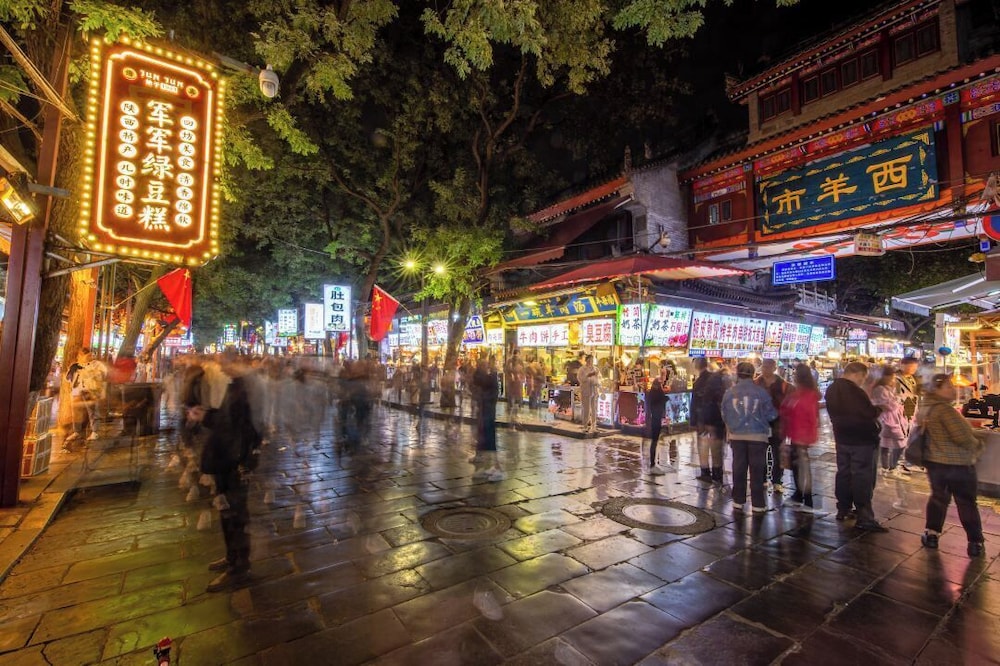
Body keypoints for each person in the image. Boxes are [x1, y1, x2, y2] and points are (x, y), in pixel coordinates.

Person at [188, 360, 262, 592]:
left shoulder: (247, 389)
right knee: (226, 511)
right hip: (225, 458)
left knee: (235, 515)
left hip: (234, 460)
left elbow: (238, 426)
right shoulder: (233, 386)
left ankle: (239, 567)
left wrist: (206, 418)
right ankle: (232, 557)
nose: (221, 366)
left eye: (226, 361)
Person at [918, 374, 987, 556]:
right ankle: (975, 542)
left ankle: (931, 535)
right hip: (957, 465)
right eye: (948, 386)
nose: (953, 389)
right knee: (966, 503)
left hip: (935, 464)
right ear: (936, 390)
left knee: (938, 499)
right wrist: (979, 444)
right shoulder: (945, 410)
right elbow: (962, 438)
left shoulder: (926, 408)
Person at [825, 361, 888, 532]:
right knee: (862, 477)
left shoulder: (832, 389)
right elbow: (867, 413)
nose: (862, 381)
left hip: (842, 437)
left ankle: (843, 508)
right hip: (862, 440)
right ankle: (864, 516)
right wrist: (879, 409)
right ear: (857, 374)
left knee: (844, 473)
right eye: (863, 377)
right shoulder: (855, 391)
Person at [722, 362, 778, 513]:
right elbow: (771, 415)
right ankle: (758, 504)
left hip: (736, 436)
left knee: (738, 468)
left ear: (737, 374)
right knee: (757, 470)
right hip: (758, 436)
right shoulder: (761, 393)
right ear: (753, 374)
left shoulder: (729, 393)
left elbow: (724, 414)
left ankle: (738, 500)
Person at [780, 364, 821, 512]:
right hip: (796, 435)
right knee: (797, 467)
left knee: (802, 468)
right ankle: (799, 494)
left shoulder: (805, 396)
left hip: (800, 437)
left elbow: (809, 417)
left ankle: (807, 500)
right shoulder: (801, 394)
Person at [754, 358, 790, 494]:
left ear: (774, 368)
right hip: (760, 425)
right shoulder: (756, 383)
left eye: (769, 367)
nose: (765, 369)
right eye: (764, 366)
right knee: (761, 453)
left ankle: (777, 481)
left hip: (778, 425)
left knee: (777, 454)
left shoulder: (784, 385)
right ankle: (763, 479)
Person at [690, 357, 726, 483]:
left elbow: (694, 403)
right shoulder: (717, 379)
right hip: (717, 418)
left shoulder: (698, 382)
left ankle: (705, 472)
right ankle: (718, 473)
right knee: (717, 448)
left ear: (697, 366)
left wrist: (693, 421)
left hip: (703, 419)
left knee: (703, 446)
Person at [65, 347, 108, 448]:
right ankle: (77, 432)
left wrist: (90, 373)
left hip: (90, 391)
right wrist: (72, 372)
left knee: (92, 412)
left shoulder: (97, 364)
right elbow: (69, 378)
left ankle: (94, 432)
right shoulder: (76, 365)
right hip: (77, 391)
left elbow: (103, 374)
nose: (88, 357)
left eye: (89, 355)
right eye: (83, 355)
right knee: (76, 412)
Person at [871, 366, 907, 477]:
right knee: (896, 443)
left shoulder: (887, 388)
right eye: (892, 377)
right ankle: (889, 467)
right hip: (886, 420)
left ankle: (888, 467)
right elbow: (889, 406)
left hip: (892, 419)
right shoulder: (880, 389)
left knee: (886, 444)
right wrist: (896, 401)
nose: (893, 379)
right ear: (885, 377)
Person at [472, 357, 504, 481]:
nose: (483, 368)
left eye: (483, 365)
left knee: (489, 440)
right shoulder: (488, 378)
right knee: (484, 440)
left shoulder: (490, 379)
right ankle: (487, 467)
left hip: (488, 413)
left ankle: (497, 468)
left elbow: (479, 381)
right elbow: (477, 381)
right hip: (484, 412)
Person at [896, 356, 921, 473]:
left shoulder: (913, 379)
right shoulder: (896, 379)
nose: (913, 369)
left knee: (909, 437)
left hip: (912, 410)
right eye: (911, 366)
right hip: (901, 411)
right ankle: (898, 463)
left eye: (915, 367)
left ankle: (906, 461)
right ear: (902, 365)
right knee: (901, 437)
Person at [645, 379, 672, 474]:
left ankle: (655, 463)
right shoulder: (657, 395)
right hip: (656, 420)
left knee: (656, 441)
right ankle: (653, 464)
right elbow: (662, 399)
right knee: (655, 441)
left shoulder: (652, 393)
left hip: (655, 419)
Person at [579, 354, 600, 434]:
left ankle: (594, 426)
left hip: (594, 391)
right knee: (586, 409)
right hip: (586, 391)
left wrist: (597, 382)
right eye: (590, 360)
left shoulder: (596, 369)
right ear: (586, 360)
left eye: (592, 360)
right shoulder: (582, 369)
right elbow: (580, 379)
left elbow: (599, 379)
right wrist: (588, 376)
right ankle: (585, 426)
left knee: (594, 409)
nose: (591, 361)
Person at [504, 349, 524, 427]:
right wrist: (510, 376)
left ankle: (515, 415)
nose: (516, 356)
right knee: (512, 398)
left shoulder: (519, 362)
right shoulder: (510, 361)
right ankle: (512, 416)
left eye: (517, 355)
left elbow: (523, 372)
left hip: (517, 383)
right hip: (512, 383)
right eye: (515, 355)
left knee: (517, 399)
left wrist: (520, 378)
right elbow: (506, 371)